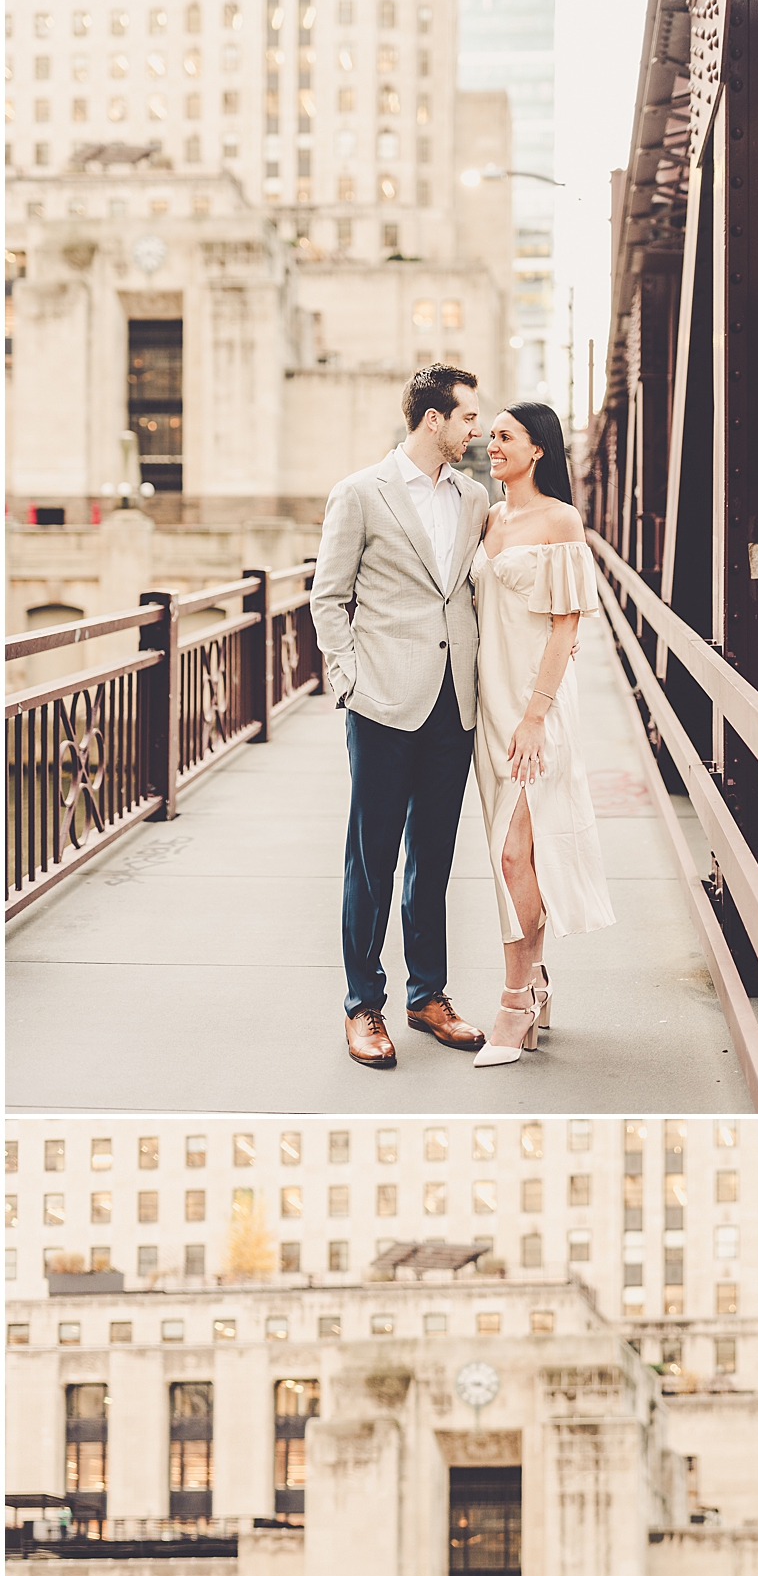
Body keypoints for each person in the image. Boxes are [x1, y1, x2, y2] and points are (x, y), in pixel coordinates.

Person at [311, 365, 489, 1069]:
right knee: (372, 858)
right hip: (383, 700)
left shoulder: (474, 497)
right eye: (469, 417)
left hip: (456, 703)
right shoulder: (359, 493)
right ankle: (363, 1006)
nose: (477, 428)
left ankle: (428, 996)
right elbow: (328, 596)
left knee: (434, 860)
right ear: (433, 419)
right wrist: (348, 678)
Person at [469, 404, 616, 1066]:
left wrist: (535, 716)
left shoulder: (560, 521)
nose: (490, 443)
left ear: (538, 452)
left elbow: (565, 627)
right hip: (488, 702)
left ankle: (515, 999)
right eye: (490, 434)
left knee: (511, 853)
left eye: (505, 436)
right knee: (517, 857)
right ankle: (536, 980)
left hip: (536, 708)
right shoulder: (488, 518)